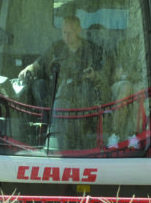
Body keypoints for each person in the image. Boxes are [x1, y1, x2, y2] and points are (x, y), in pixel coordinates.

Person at [18, 15, 109, 150]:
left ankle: (70, 134)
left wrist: (94, 75)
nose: (66, 36)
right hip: (55, 93)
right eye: (64, 32)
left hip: (82, 96)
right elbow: (39, 64)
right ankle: (47, 128)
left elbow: (105, 75)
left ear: (79, 30)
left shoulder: (91, 50)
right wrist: (27, 69)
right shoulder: (56, 47)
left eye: (70, 33)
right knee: (38, 85)